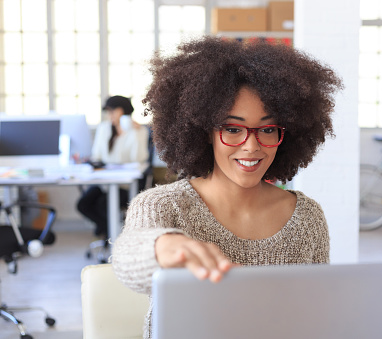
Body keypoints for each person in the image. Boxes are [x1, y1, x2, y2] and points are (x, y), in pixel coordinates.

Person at [111, 36, 343, 338]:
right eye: (232, 129)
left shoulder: (307, 217)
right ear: (204, 131)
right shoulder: (161, 206)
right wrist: (163, 246)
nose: (251, 146)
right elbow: (127, 260)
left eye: (268, 129)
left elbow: (316, 314)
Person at [77, 95, 149, 237]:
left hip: (125, 185)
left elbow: (139, 159)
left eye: (112, 111)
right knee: (83, 204)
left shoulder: (139, 131)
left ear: (123, 112)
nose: (109, 115)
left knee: (103, 204)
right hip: (104, 182)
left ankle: (111, 235)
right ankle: (109, 232)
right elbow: (96, 155)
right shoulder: (104, 128)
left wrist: (135, 133)